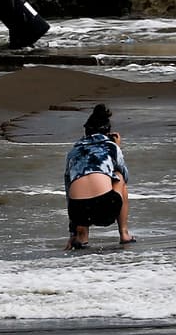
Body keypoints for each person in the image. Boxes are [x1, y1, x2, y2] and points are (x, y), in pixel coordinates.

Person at [63, 103, 136, 250]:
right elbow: (126, 176)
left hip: (78, 211)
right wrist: (117, 147)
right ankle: (124, 234)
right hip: (105, 208)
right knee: (119, 177)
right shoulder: (111, 146)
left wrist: (72, 233)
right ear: (108, 132)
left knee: (77, 186)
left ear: (86, 132)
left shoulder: (73, 152)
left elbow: (68, 191)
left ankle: (81, 236)